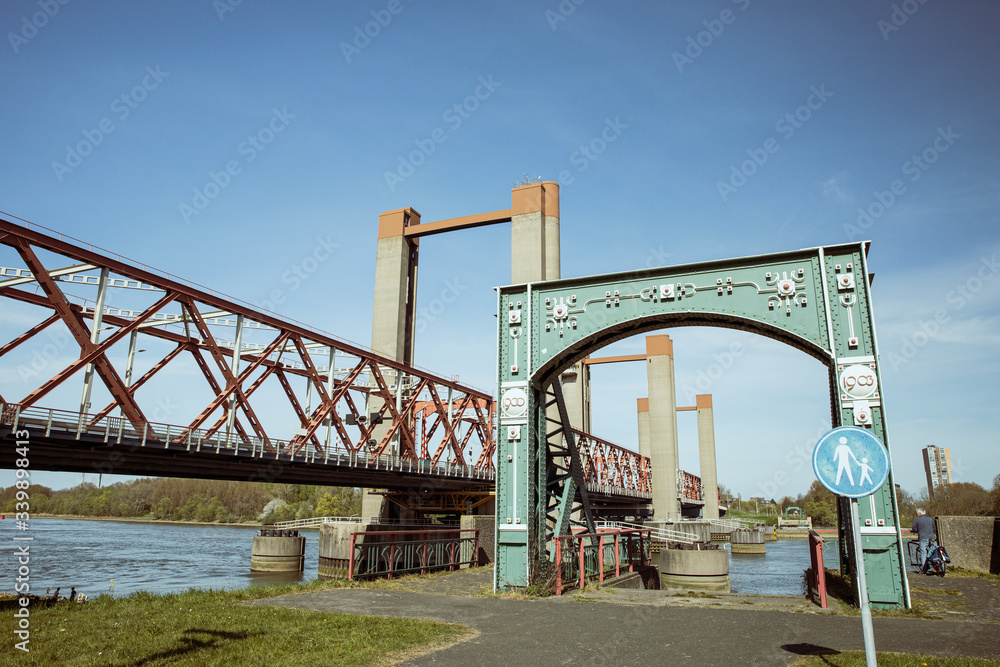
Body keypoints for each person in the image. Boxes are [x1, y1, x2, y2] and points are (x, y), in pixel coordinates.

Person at [911, 508, 936, 574]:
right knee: (933, 551)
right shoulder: (930, 519)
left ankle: (924, 569)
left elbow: (914, 528)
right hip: (931, 537)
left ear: (919, 513)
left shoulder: (917, 519)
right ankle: (938, 568)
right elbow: (934, 528)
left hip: (923, 537)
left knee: (923, 553)